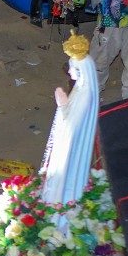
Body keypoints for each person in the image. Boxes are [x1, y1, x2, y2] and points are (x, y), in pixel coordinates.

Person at [40, 31, 100, 231]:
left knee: (65, 185)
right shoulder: (81, 89)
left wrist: (63, 106)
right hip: (68, 145)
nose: (70, 72)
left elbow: (73, 125)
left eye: (73, 69)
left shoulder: (85, 94)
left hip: (70, 151)